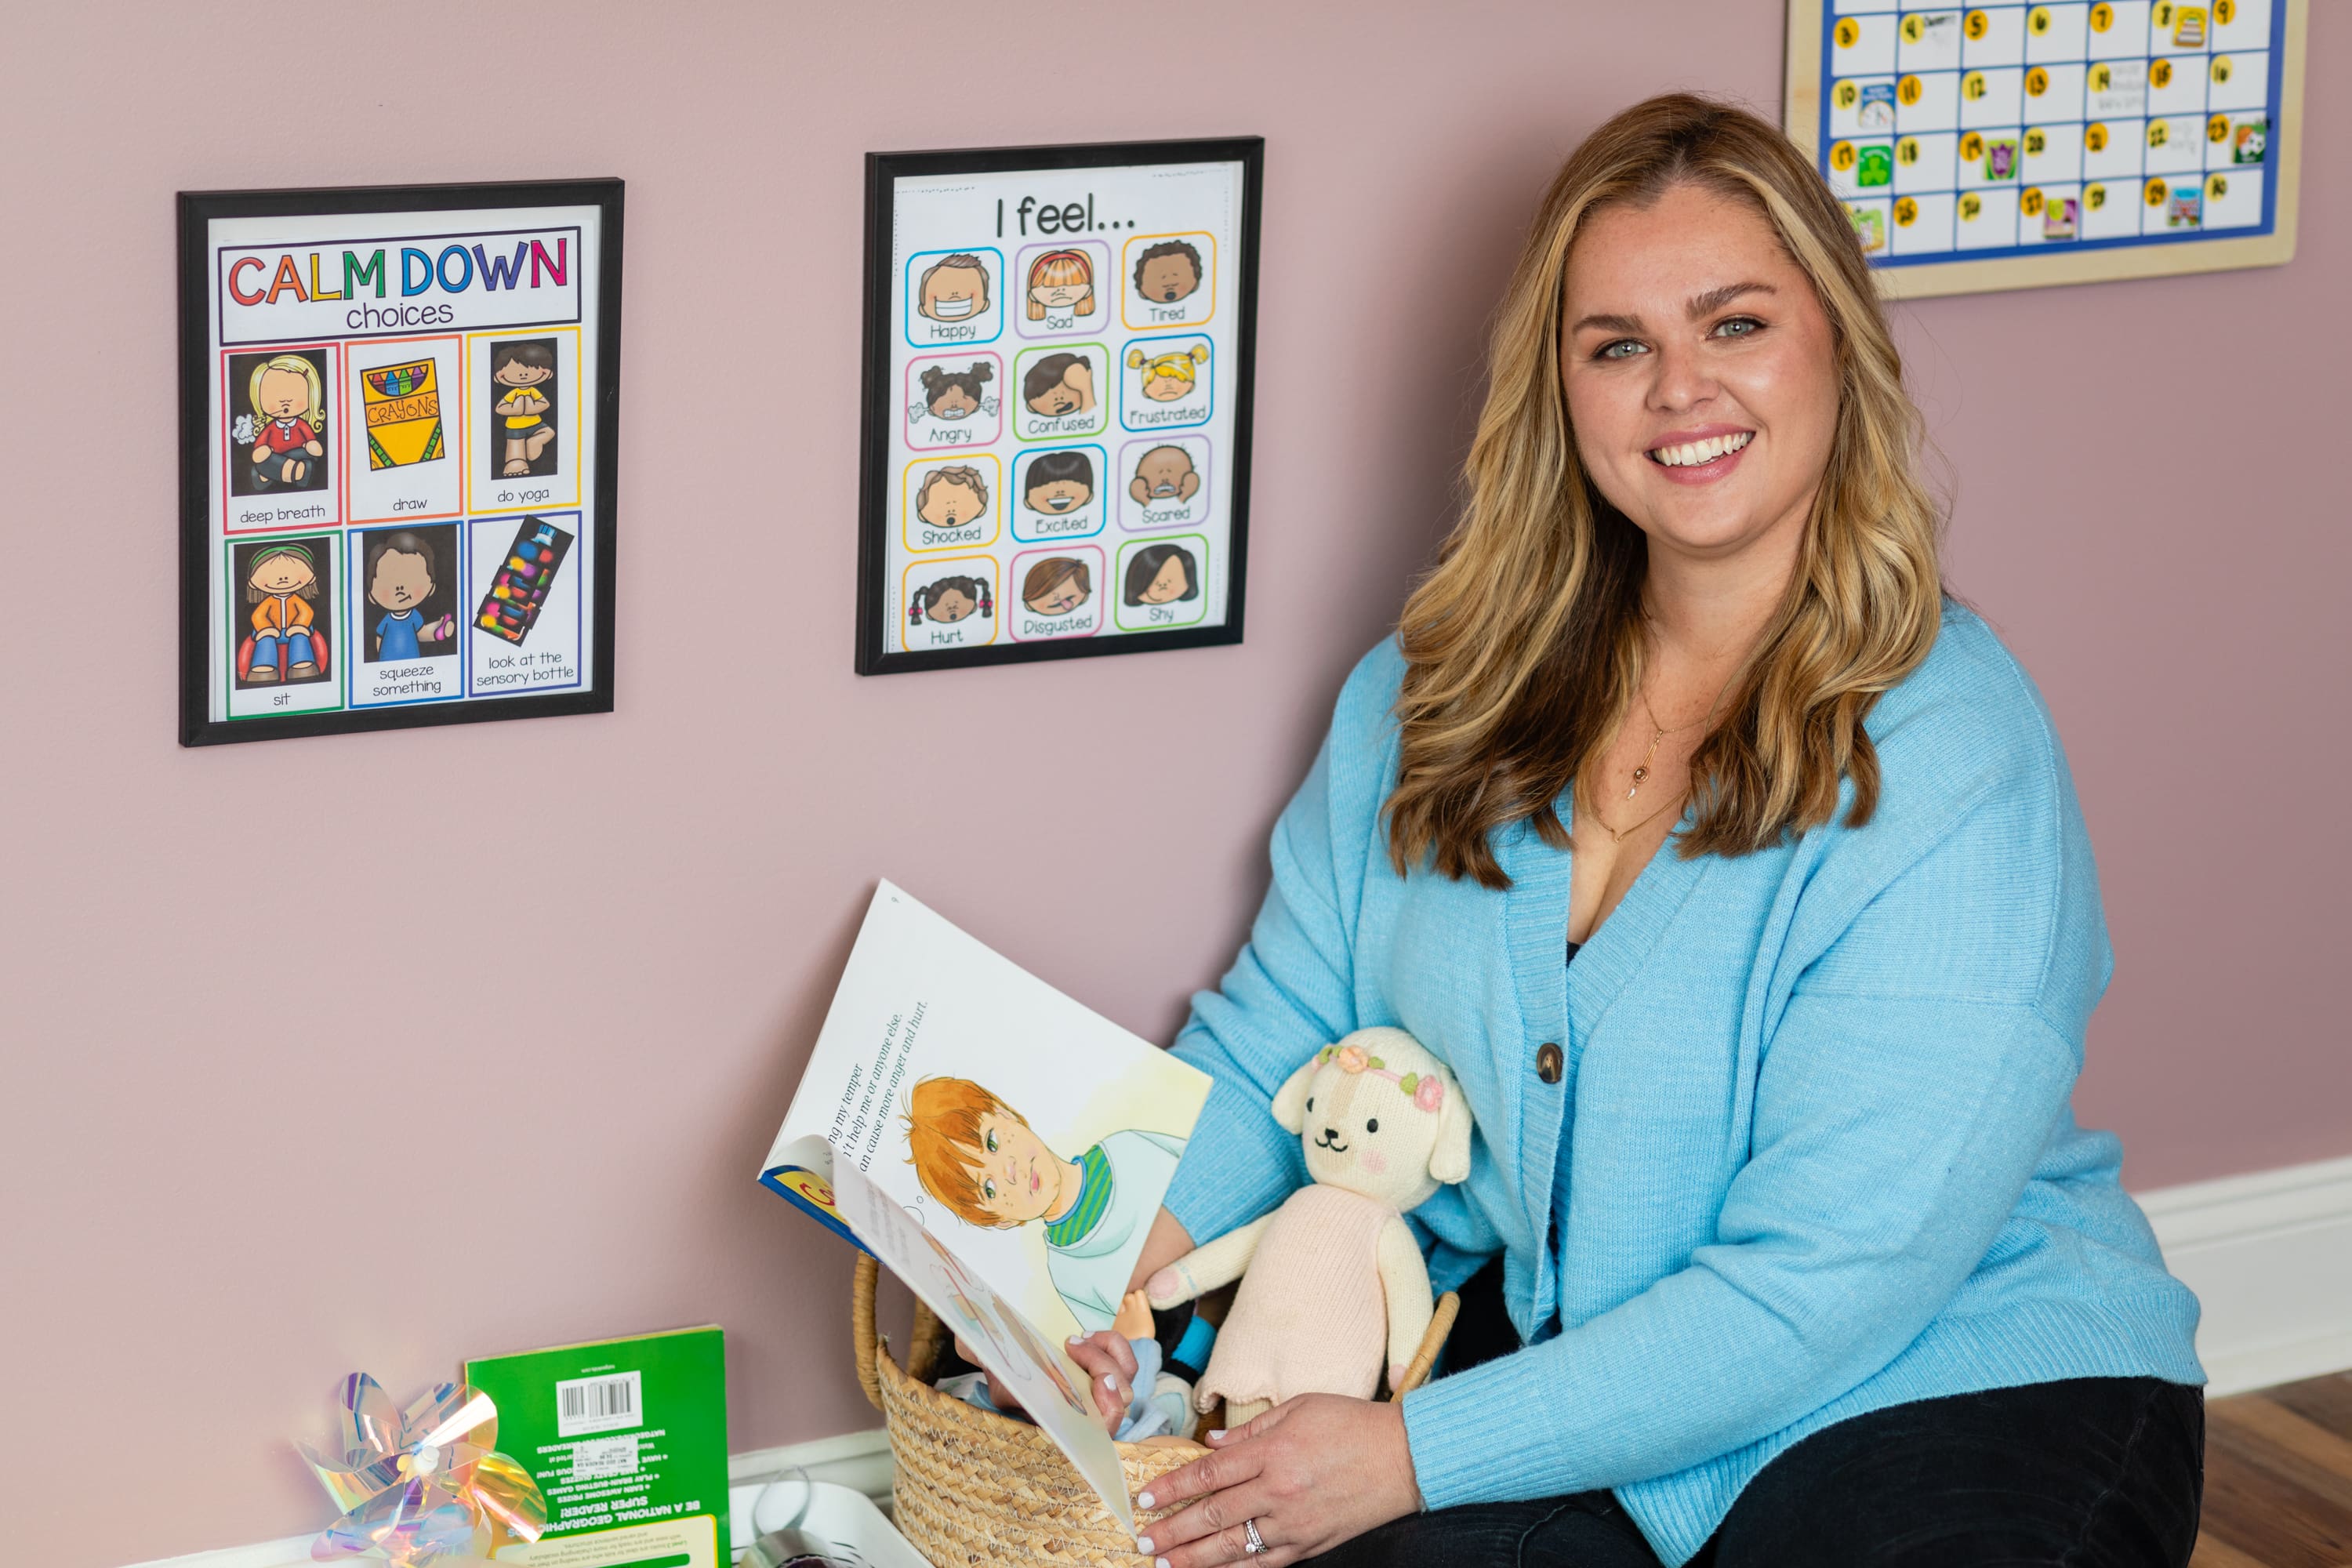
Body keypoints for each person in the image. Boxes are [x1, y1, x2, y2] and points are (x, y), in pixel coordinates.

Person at [1058, 93, 2205, 1567]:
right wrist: (1105, 1275)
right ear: (1562, 389)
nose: (1680, 390)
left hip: (1945, 1383)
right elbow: (1283, 1025)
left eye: (1735, 325)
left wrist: (1409, 1455)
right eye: (1619, 346)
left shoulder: (1954, 755)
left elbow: (1829, 1283)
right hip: (1568, 1380)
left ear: (1837, 347)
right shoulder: (1431, 695)